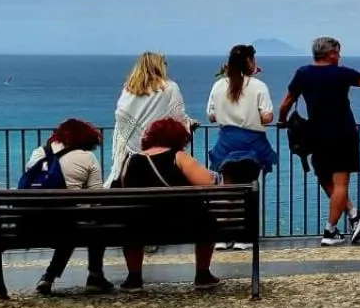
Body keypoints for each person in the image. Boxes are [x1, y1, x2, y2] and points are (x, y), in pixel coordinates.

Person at [278, 37, 360, 247]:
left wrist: (282, 120)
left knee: (325, 179)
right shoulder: (341, 73)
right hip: (343, 133)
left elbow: (288, 100)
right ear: (330, 54)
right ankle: (330, 231)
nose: (340, 55)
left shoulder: (303, 73)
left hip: (316, 134)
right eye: (338, 52)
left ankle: (354, 215)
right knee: (340, 183)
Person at [114, 117, 221, 290]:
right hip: (183, 225)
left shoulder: (130, 161)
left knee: (131, 223)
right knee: (206, 221)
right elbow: (209, 182)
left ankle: (134, 277)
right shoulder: (178, 157)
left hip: (141, 226)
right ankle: (203, 274)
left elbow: (122, 189)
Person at [26, 119, 114, 296]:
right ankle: (95, 276)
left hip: (31, 224)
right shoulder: (87, 157)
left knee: (66, 224)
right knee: (93, 222)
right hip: (66, 224)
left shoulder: (39, 153)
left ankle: (48, 277)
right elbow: (97, 198)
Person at [206, 44, 276, 250]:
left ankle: (224, 235)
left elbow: (211, 116)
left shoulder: (219, 86)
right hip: (252, 143)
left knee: (228, 190)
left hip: (226, 142)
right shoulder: (258, 86)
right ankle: (244, 236)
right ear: (249, 62)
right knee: (249, 189)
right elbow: (267, 117)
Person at [106, 52, 191, 186]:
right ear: (159, 66)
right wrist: (189, 125)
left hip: (132, 158)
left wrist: (135, 133)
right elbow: (178, 117)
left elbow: (121, 116)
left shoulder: (129, 89)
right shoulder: (169, 88)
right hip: (160, 154)